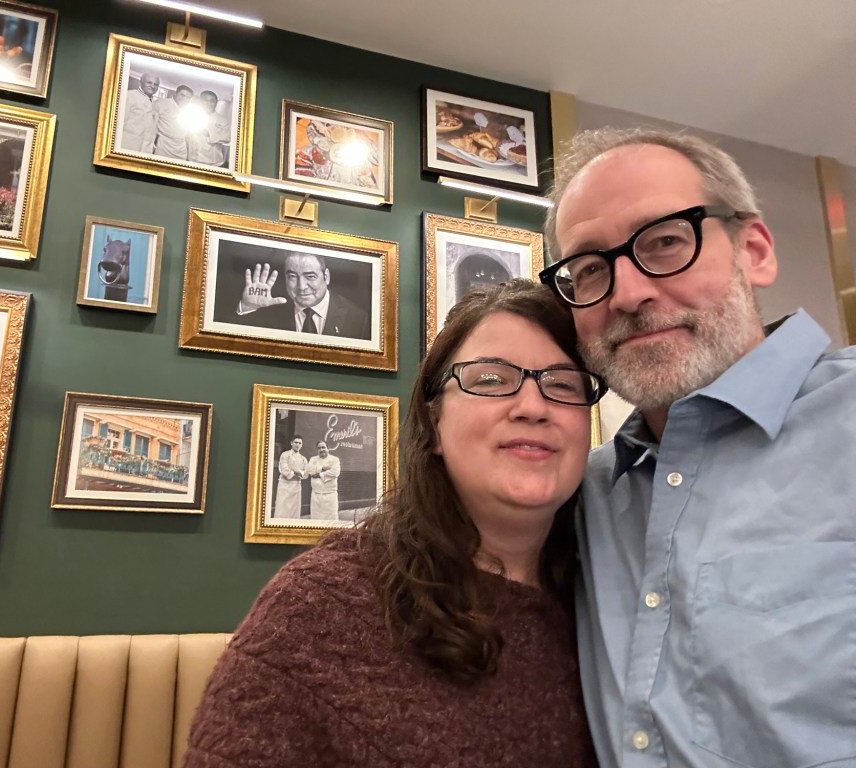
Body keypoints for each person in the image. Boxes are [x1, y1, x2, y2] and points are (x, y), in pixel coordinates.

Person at [184, 280, 605, 767]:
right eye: (490, 379)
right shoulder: (324, 607)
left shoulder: (617, 597)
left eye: (562, 384)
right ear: (434, 425)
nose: (533, 407)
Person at [540, 127, 856, 768]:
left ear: (754, 252)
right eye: (590, 269)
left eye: (665, 241)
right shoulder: (583, 493)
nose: (628, 294)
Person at [236, 253, 371, 340]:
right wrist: (248, 307)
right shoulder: (270, 311)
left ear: (326, 277)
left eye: (310, 276)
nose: (301, 286)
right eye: (292, 277)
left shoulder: (358, 318)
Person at [186, 89, 230, 167]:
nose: (208, 103)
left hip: (213, 162)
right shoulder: (192, 116)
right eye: (205, 100)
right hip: (192, 158)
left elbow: (227, 138)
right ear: (200, 101)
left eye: (212, 101)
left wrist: (209, 134)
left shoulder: (223, 120)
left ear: (216, 103)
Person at [121, 71, 160, 153]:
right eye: (149, 82)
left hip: (145, 150)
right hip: (126, 146)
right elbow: (119, 124)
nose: (153, 86)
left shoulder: (155, 104)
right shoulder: (128, 96)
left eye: (156, 84)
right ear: (141, 82)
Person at [152, 84, 194, 161]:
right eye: (182, 95)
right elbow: (151, 123)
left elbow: (189, 133)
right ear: (176, 93)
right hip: (163, 143)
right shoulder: (161, 103)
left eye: (188, 98)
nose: (184, 99)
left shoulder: (191, 111)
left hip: (180, 147)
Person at [305, 440, 341, 521]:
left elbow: (335, 472)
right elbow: (309, 470)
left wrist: (319, 474)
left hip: (330, 495)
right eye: (319, 448)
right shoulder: (313, 459)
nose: (321, 450)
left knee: (331, 519)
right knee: (316, 519)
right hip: (316, 495)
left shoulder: (334, 459)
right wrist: (323, 468)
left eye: (323, 447)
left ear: (328, 448)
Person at [272, 435, 306, 519]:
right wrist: (295, 473)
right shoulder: (285, 455)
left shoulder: (303, 458)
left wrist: (299, 472)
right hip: (285, 485)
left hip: (296, 486)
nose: (297, 445)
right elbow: (284, 469)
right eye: (296, 442)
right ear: (291, 443)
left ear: (302, 445)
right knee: (282, 508)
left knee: (294, 509)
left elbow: (306, 472)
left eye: (300, 443)